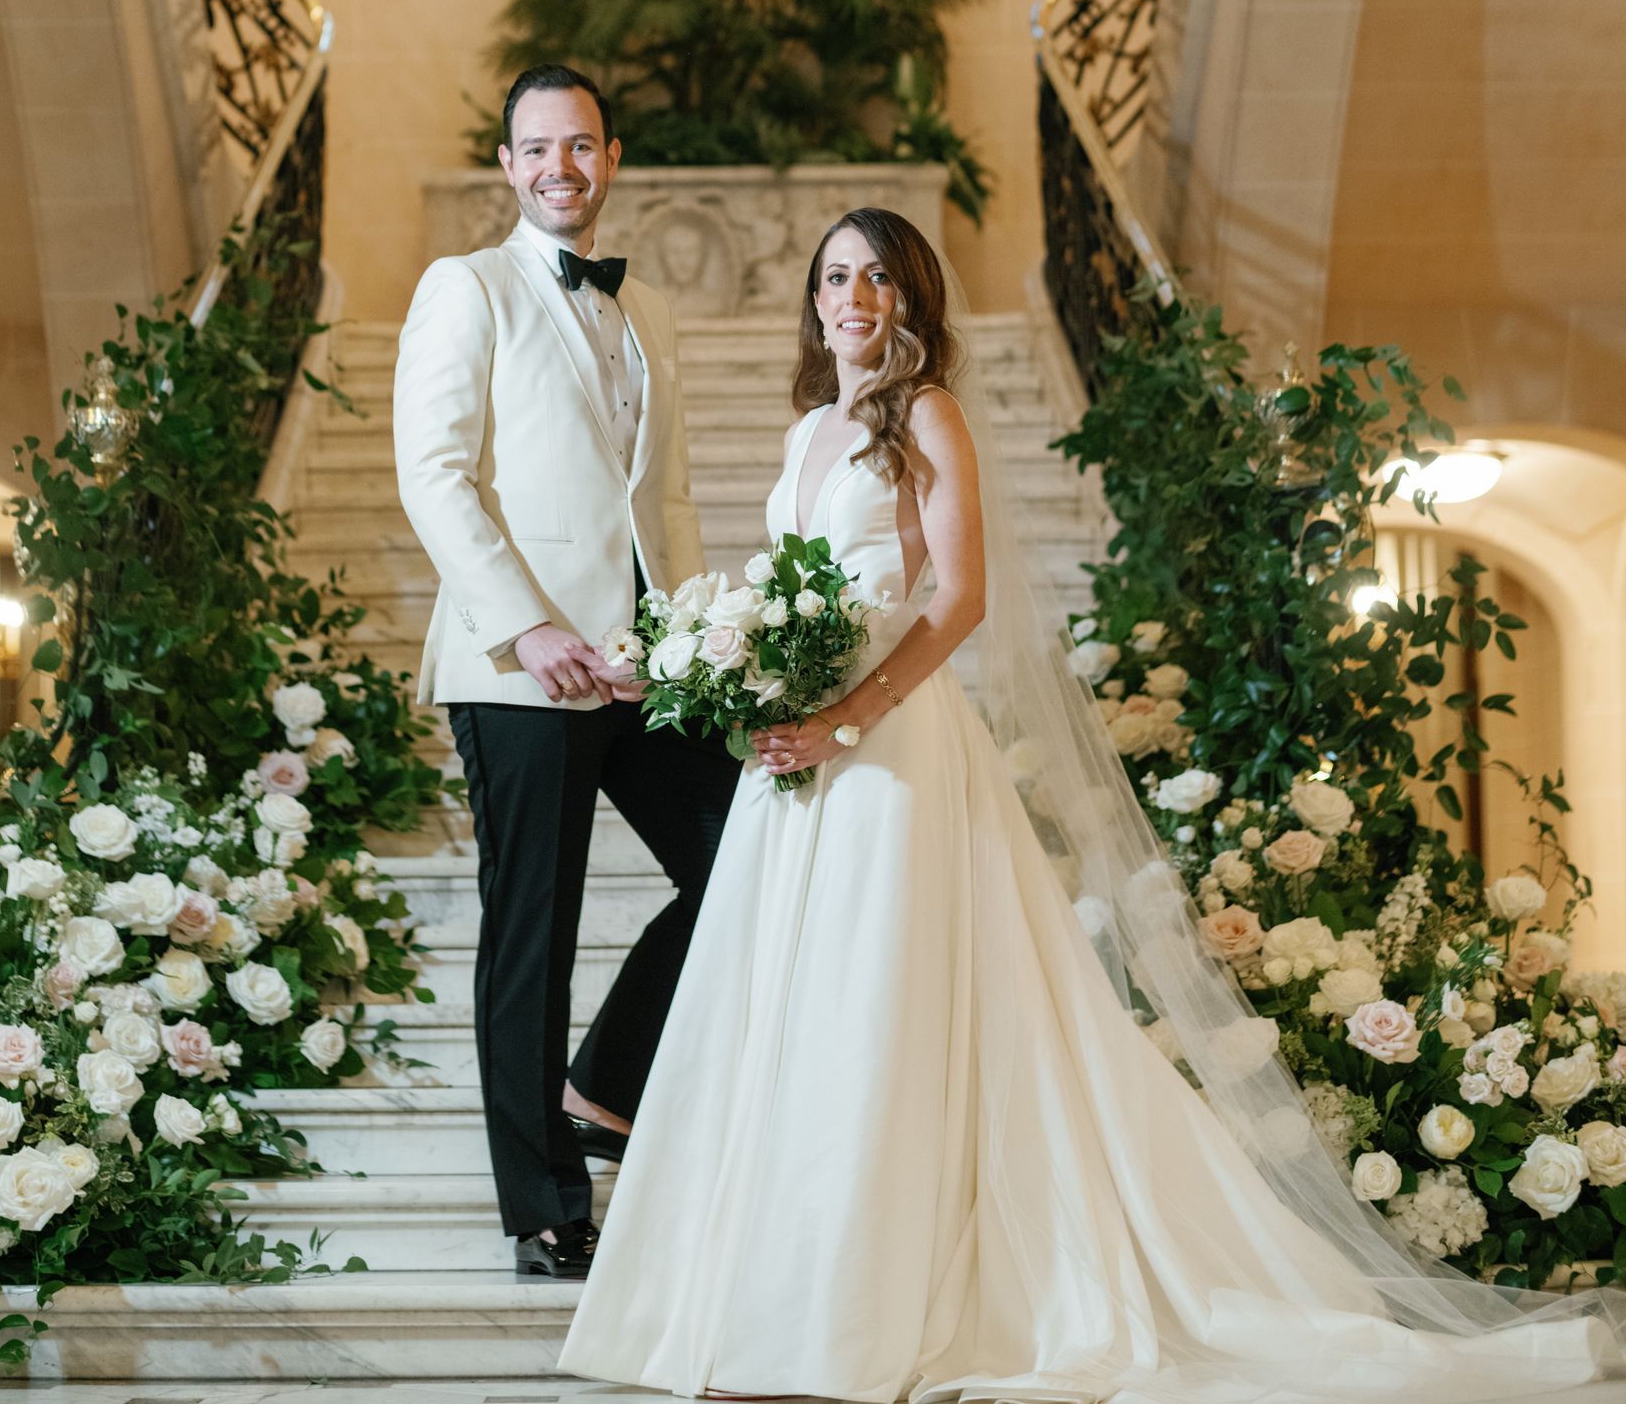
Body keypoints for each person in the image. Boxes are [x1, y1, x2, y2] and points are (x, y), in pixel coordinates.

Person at [561, 207, 1623, 1404]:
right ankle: (767, 1306)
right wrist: (743, 676)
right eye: (836, 275)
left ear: (911, 299)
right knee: (795, 1015)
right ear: (813, 299)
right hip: (792, 765)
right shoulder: (808, 428)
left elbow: (956, 597)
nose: (854, 295)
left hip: (891, 753)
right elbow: (787, 596)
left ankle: (853, 1319)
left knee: (878, 1014)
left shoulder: (929, 416)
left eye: (879, 277)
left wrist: (846, 716)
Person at [393, 63, 736, 1281]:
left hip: (646, 664)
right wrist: (526, 628)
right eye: (536, 149)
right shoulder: (464, 287)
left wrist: (694, 646)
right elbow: (435, 474)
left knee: (742, 859)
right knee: (530, 931)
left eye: (579, 147)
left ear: (613, 156)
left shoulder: (646, 313)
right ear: (507, 165)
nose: (559, 169)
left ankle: (602, 1086)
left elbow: (670, 495)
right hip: (522, 669)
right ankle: (544, 1203)